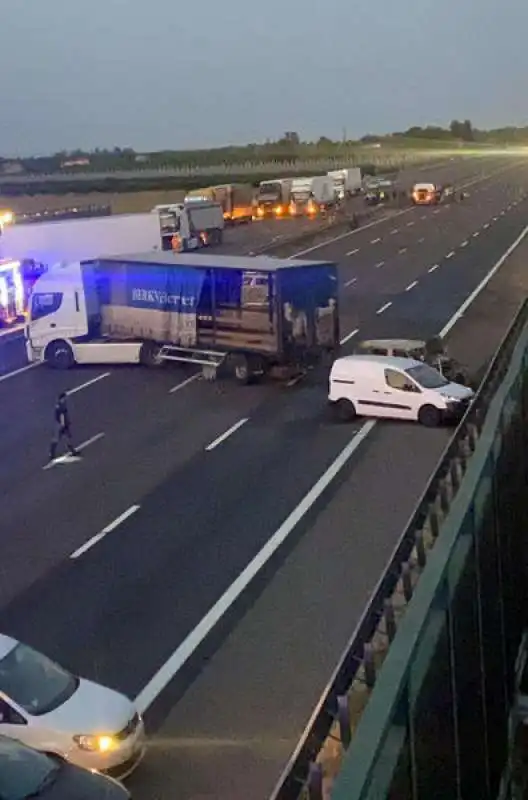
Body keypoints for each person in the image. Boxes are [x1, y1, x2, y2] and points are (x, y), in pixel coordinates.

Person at [49, 392, 79, 461]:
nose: (66, 399)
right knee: (64, 438)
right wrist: (64, 424)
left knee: (60, 438)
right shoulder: (62, 406)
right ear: (62, 398)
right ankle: (72, 451)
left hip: (59, 424)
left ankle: (52, 453)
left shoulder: (58, 405)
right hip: (62, 425)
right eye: (65, 398)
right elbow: (62, 415)